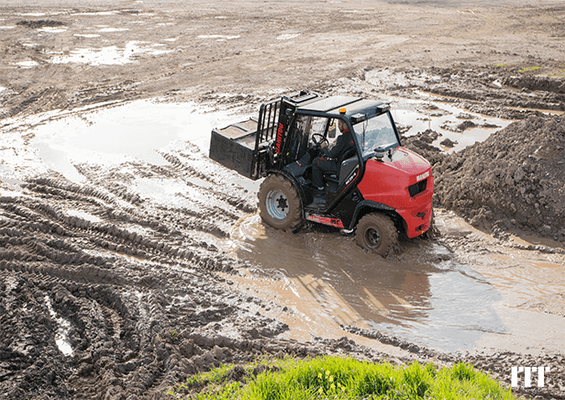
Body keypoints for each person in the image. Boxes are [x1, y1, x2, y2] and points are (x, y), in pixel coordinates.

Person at [311, 119, 355, 198]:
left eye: (339, 124)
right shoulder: (354, 135)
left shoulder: (342, 138)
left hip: (338, 165)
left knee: (316, 162)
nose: (338, 126)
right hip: (345, 163)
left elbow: (331, 154)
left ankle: (319, 189)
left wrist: (324, 148)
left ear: (345, 125)